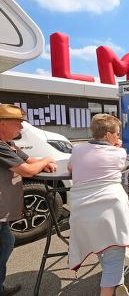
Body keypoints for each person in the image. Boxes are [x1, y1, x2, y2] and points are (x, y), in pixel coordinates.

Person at [68, 114, 129, 296]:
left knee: (101, 246)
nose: (118, 137)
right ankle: (111, 287)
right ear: (108, 135)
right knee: (115, 259)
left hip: (81, 214)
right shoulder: (119, 153)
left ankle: (118, 284)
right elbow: (119, 166)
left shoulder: (77, 150)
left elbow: (70, 168)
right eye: (117, 133)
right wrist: (117, 148)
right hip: (110, 214)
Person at [0, 104, 57, 296]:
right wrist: (47, 159)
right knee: (5, 244)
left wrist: (43, 163)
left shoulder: (8, 144)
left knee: (7, 242)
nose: (21, 128)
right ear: (2, 124)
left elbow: (28, 159)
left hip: (2, 213)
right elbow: (27, 169)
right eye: (17, 123)